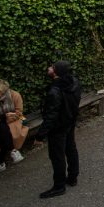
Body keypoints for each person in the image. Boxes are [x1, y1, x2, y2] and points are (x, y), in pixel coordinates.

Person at [33, 60, 81, 199]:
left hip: (58, 127)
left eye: (52, 67)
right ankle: (72, 177)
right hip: (70, 121)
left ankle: (59, 186)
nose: (48, 68)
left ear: (56, 72)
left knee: (57, 156)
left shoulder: (55, 90)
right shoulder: (74, 82)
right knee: (71, 149)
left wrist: (40, 135)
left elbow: (51, 115)